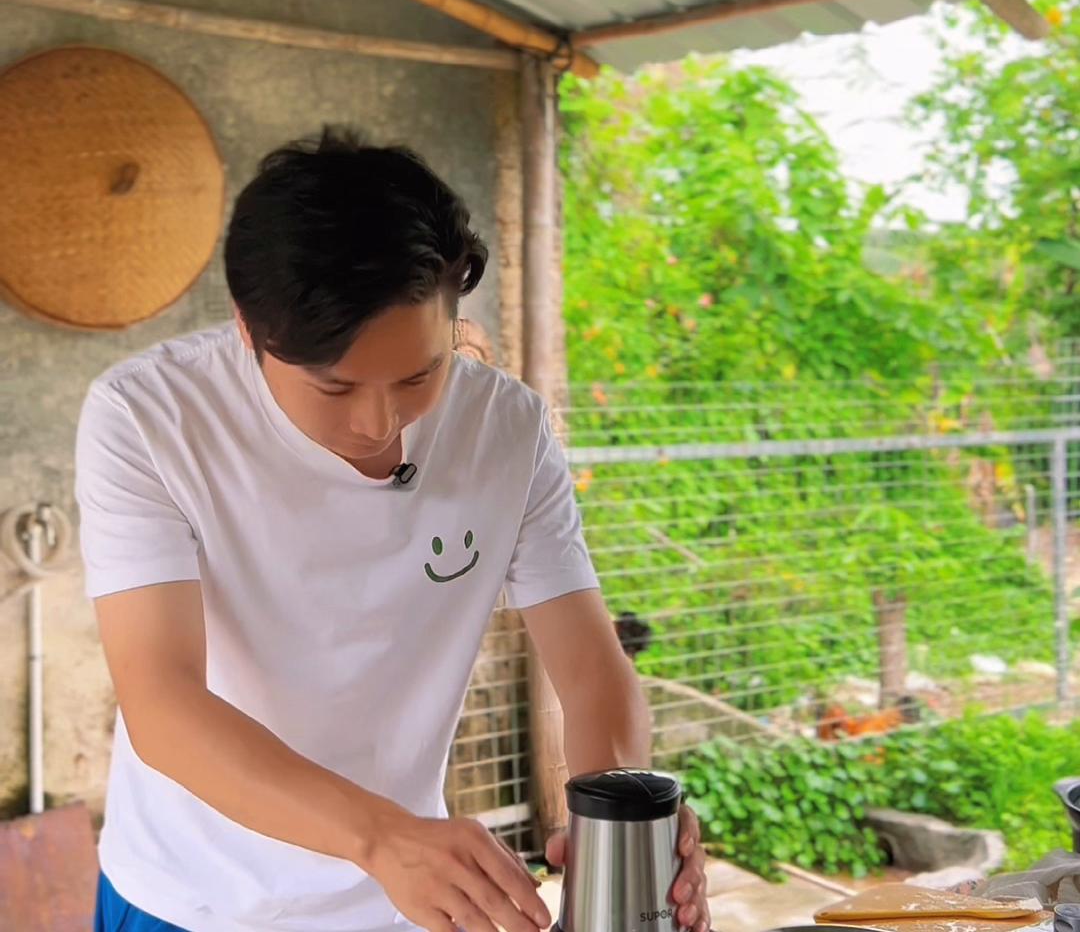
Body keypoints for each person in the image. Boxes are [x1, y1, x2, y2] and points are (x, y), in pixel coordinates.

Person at [78, 128, 710, 932]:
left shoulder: (507, 428)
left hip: (403, 901)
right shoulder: (149, 417)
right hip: (193, 899)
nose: (381, 423)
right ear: (248, 329)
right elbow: (162, 703)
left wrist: (619, 813)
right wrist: (383, 839)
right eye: (334, 388)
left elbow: (590, 666)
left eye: (421, 374)